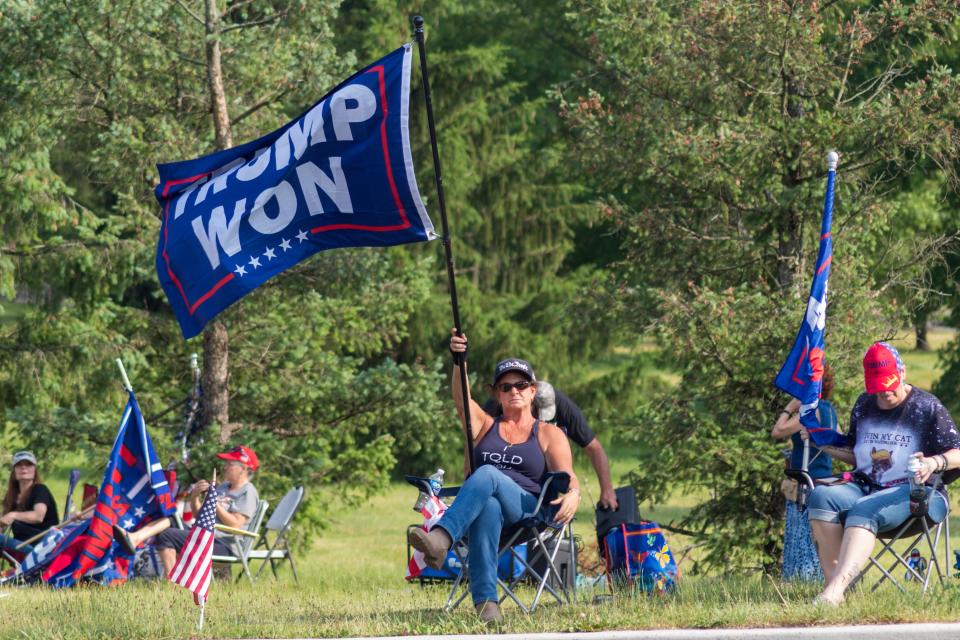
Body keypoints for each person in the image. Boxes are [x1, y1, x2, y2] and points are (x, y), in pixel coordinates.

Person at [408, 329, 580, 623]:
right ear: (497, 394)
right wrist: (458, 361)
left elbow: (568, 477)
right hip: (485, 511)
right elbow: (462, 402)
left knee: (487, 472)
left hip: (528, 511)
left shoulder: (548, 433)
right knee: (489, 506)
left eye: (521, 385)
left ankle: (441, 538)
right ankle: (487, 606)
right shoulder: (485, 426)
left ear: (532, 391)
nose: (514, 390)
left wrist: (574, 493)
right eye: (505, 386)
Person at [807, 342, 960, 605]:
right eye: (878, 386)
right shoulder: (865, 404)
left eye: (890, 383)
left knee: (865, 508)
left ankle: (834, 592)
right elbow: (859, 454)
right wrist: (822, 443)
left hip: (918, 493)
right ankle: (837, 588)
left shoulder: (927, 407)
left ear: (902, 371)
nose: (886, 392)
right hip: (866, 484)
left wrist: (933, 463)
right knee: (820, 497)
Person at [113, 445, 260, 575]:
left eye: (230, 464)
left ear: (244, 469)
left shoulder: (248, 492)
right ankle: (134, 538)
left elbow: (235, 524)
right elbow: (199, 516)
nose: (225, 467)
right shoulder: (223, 488)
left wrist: (215, 502)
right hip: (206, 535)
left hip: (225, 545)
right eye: (226, 463)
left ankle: (173, 584)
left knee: (167, 535)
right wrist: (195, 497)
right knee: (170, 519)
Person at [484, 381, 618, 510]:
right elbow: (476, 443)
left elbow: (594, 448)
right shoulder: (502, 402)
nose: (542, 420)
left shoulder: (564, 407)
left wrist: (607, 489)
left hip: (546, 479)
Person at [771, 364, 839, 581]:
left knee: (801, 534)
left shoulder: (809, 411)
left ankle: (801, 580)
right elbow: (838, 439)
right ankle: (818, 578)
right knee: (817, 535)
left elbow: (778, 431)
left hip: (804, 482)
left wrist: (790, 407)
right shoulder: (829, 410)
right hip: (822, 481)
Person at [0, 451, 60, 554]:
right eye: (19, 465)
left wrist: (13, 515)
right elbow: (3, 521)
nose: (23, 467)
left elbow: (38, 516)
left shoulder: (40, 490)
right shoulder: (12, 496)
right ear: (14, 471)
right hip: (21, 545)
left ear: (34, 470)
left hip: (41, 549)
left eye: (28, 464)